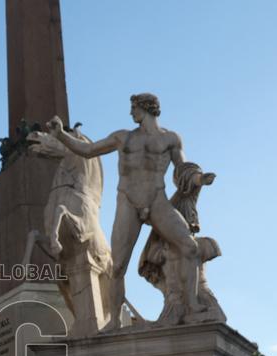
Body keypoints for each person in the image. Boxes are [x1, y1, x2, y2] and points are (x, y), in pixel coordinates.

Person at [54, 93, 209, 328]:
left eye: (134, 108)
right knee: (117, 266)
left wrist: (199, 178)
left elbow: (183, 169)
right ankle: (114, 322)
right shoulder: (122, 137)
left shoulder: (171, 139)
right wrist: (61, 135)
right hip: (128, 201)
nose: (130, 113)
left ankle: (192, 304)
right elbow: (88, 150)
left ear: (146, 108)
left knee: (190, 247)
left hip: (157, 200)